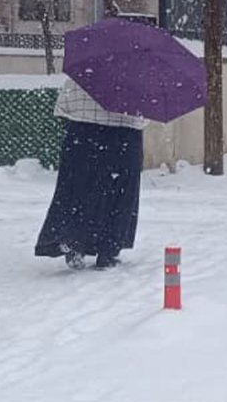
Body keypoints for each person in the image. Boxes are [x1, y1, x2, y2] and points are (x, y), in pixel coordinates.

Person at [35, 78, 149, 270]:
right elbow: (144, 117)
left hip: (83, 136)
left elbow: (64, 106)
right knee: (118, 195)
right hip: (124, 139)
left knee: (77, 191)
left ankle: (73, 241)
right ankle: (108, 250)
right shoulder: (138, 79)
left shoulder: (82, 73)